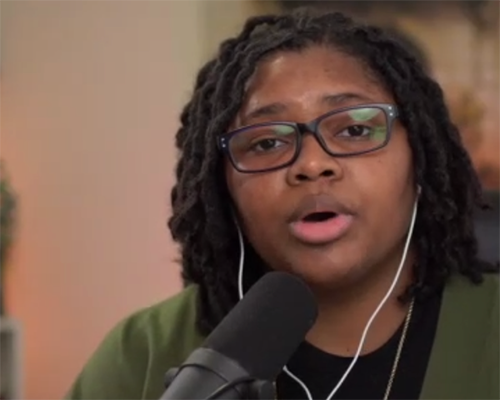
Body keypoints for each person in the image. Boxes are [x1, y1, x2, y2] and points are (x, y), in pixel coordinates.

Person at [64, 8, 500, 400]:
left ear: (420, 156)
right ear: (224, 186)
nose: (312, 164)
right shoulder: (141, 352)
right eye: (267, 142)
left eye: (354, 130)